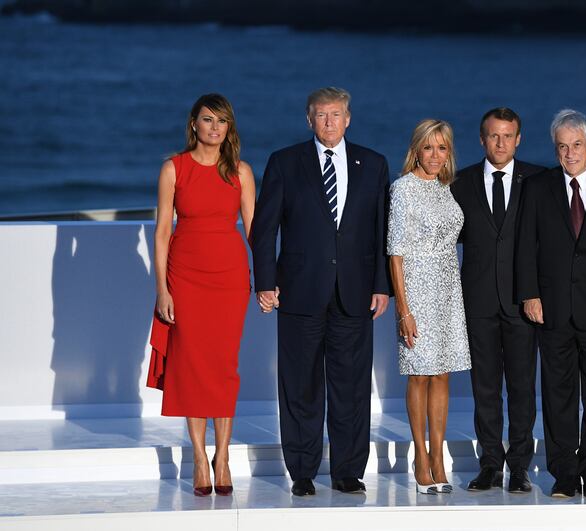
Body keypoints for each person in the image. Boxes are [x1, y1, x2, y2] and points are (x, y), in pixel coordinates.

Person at [251, 87, 390, 497]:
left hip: (356, 291)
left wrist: (382, 286)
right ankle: (303, 471)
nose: (329, 122)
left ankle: (348, 470)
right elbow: (264, 229)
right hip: (298, 292)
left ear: (349, 118)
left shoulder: (374, 164)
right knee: (300, 386)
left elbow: (383, 230)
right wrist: (264, 281)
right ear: (308, 120)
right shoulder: (285, 162)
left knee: (351, 386)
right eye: (321, 115)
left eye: (336, 114)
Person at [516, 109, 586, 499]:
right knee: (558, 394)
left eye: (577, 145)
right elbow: (525, 246)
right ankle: (564, 473)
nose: (570, 153)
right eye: (563, 146)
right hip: (553, 308)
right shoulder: (537, 186)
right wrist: (529, 294)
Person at [147, 93, 255, 497]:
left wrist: (267, 279)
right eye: (207, 120)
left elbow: (254, 230)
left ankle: (223, 456)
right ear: (193, 123)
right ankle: (198, 456)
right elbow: (161, 233)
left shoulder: (241, 171)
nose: (214, 127)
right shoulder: (173, 169)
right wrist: (162, 289)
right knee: (191, 366)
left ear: (229, 128)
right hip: (185, 278)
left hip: (228, 279)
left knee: (224, 366)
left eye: (221, 121)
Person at [450, 108, 544, 493]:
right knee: (484, 388)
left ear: (518, 139)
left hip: (524, 302)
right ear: (482, 138)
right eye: (493, 136)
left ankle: (519, 466)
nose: (501, 143)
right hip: (478, 302)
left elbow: (581, 187)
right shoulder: (459, 182)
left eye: (508, 136)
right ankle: (490, 463)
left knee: (522, 388)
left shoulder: (541, 180)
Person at [388, 119, 471, 495]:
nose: (436, 155)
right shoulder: (402, 189)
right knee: (419, 374)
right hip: (417, 292)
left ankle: (439, 457)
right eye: (428, 148)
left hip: (449, 290)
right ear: (416, 150)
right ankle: (420, 457)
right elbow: (395, 252)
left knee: (443, 375)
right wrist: (403, 309)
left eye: (442, 148)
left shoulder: (447, 189)